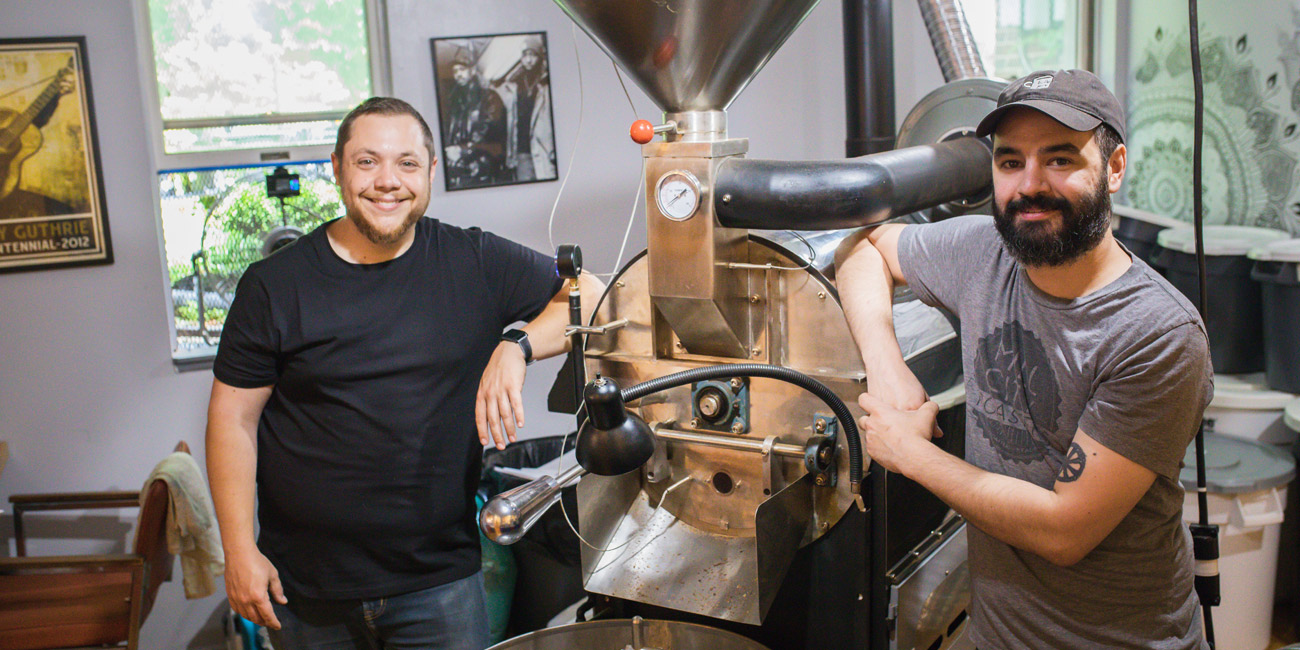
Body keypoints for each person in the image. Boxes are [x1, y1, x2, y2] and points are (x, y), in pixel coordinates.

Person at [206, 96, 601, 650]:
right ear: (338, 168)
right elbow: (232, 421)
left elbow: (594, 293)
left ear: (431, 172)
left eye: (407, 163)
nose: (388, 181)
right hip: (309, 589)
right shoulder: (273, 286)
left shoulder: (474, 261)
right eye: (367, 162)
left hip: (439, 582)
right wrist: (239, 550)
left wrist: (516, 344)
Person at [835, 70, 1212, 649]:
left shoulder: (1157, 333)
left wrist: (910, 453)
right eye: (1010, 162)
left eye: (1059, 160)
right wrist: (886, 363)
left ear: (1114, 170)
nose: (1029, 185)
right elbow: (863, 247)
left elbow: (1065, 531)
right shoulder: (984, 252)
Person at [0, 62, 77, 219]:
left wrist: (55, 93)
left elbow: (30, 125)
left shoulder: (5, 117)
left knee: (64, 212)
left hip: (8, 198)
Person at [444, 49, 509, 189]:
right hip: (460, 167)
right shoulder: (456, 102)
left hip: (483, 165)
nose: (458, 75)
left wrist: (463, 150)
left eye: (462, 69)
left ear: (472, 70)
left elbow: (490, 131)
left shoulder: (490, 97)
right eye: (455, 71)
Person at [500, 36, 555, 183]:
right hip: (523, 151)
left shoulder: (547, 83)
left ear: (540, 57)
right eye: (525, 55)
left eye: (533, 55)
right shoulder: (514, 85)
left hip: (545, 151)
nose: (529, 60)